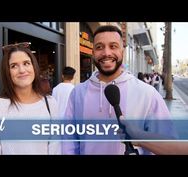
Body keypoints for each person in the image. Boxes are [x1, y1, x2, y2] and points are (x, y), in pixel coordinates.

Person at [62, 25, 177, 155]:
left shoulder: (147, 94)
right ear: (93, 52)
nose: (106, 53)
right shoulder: (77, 93)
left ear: (122, 51)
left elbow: (168, 141)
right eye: (99, 47)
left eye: (113, 46)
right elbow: (69, 140)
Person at [0, 42, 61, 155]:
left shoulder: (50, 103)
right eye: (14, 66)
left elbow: (55, 147)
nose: (22, 70)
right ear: (7, 72)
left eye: (26, 63)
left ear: (34, 67)